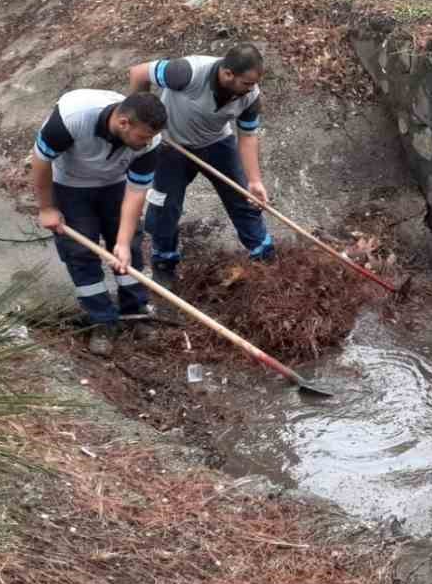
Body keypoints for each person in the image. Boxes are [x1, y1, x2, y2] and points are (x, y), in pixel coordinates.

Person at [32, 89, 166, 357]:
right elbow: (40, 160)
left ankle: (135, 309)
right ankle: (102, 320)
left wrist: (123, 242)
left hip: (114, 185)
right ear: (123, 123)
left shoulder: (149, 141)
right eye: (141, 137)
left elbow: (136, 192)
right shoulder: (73, 117)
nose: (145, 143)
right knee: (80, 252)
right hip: (69, 184)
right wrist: (47, 208)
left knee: (130, 249)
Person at [127, 42, 273, 287]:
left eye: (254, 84)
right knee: (164, 207)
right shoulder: (187, 72)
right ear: (227, 74)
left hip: (217, 143)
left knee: (243, 197)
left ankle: (263, 254)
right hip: (172, 146)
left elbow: (247, 137)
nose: (252, 89)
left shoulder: (250, 96)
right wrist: (142, 122)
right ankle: (165, 262)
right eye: (247, 83)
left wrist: (255, 181)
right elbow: (138, 73)